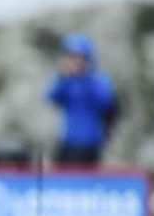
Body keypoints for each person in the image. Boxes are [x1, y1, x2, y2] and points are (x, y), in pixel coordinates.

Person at [46, 34, 119, 166]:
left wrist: (86, 78)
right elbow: (52, 97)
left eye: (79, 57)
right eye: (71, 57)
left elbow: (106, 103)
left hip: (90, 144)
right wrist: (62, 77)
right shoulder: (67, 81)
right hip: (68, 141)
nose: (75, 62)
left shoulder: (99, 80)